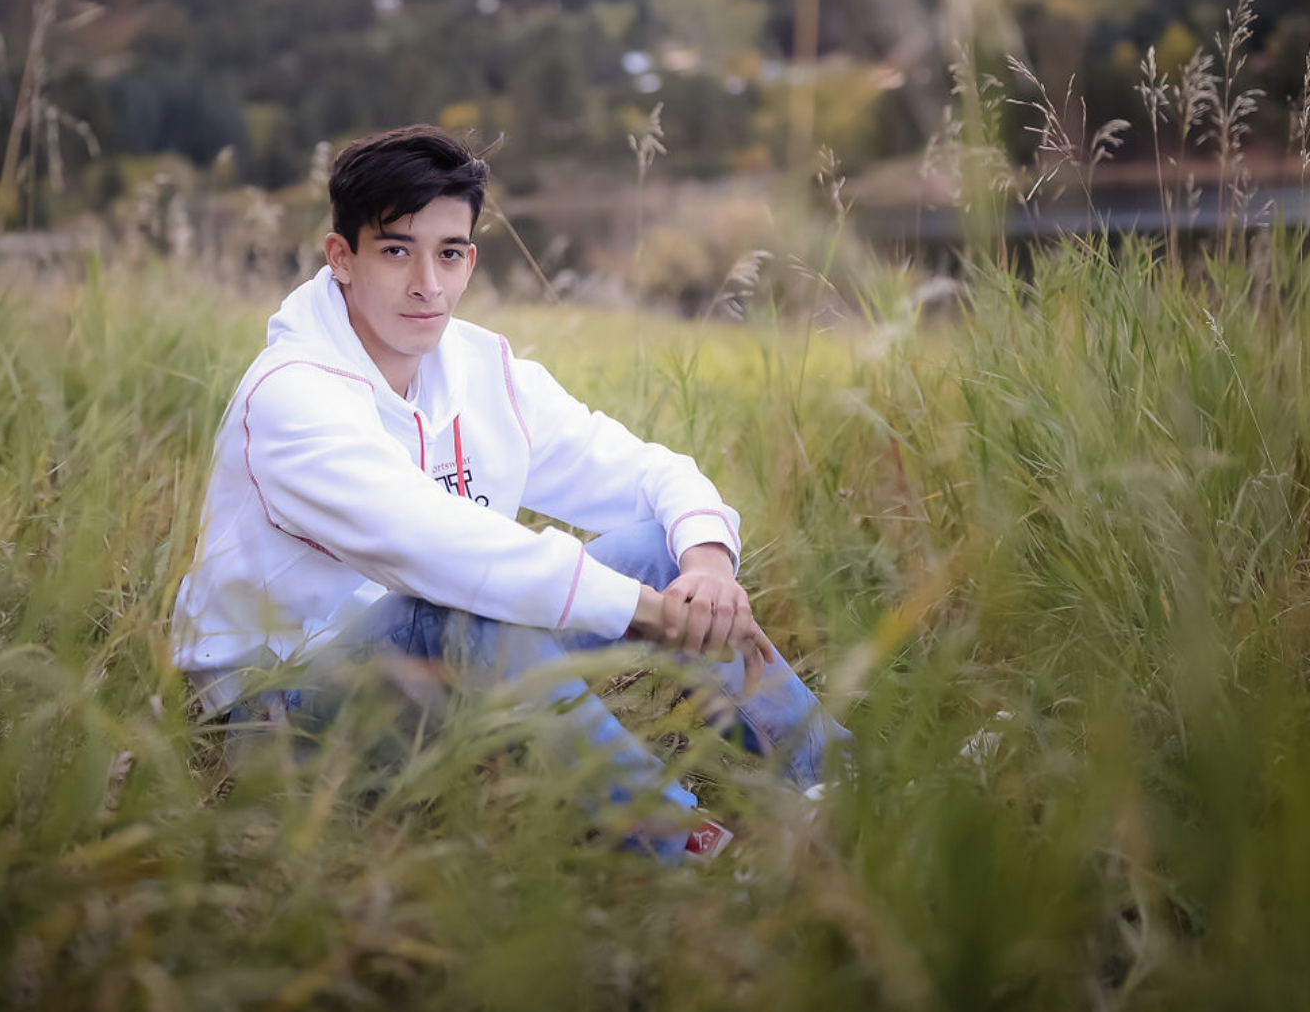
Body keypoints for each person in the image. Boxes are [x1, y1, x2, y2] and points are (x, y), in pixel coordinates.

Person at [170, 125, 843, 854]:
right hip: (283, 714)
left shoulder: (480, 369)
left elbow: (649, 472)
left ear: (469, 259)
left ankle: (835, 782)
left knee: (663, 549)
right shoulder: (292, 396)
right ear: (342, 258)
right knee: (465, 608)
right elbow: (440, 552)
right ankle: (685, 849)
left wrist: (707, 568)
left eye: (448, 253)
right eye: (395, 250)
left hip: (434, 670)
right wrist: (644, 613)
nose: (427, 284)